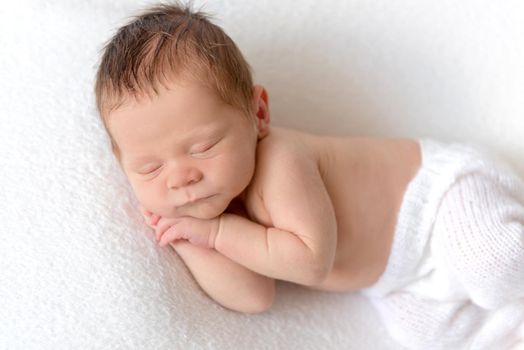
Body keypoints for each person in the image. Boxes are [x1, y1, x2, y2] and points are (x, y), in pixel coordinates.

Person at [94, 3, 524, 348]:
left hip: (440, 202)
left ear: (257, 114)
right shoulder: (212, 205)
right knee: (429, 335)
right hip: (398, 279)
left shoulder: (281, 159)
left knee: (492, 260)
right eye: (149, 167)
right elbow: (254, 297)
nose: (181, 177)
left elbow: (311, 262)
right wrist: (188, 238)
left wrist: (216, 234)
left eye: (203, 146)